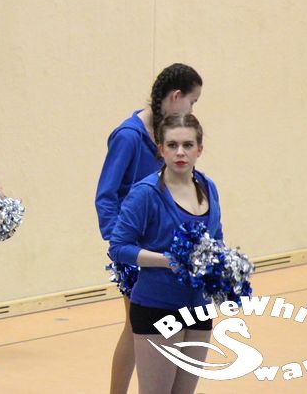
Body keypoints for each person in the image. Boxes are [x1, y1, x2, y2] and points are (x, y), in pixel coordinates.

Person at [94, 63, 202, 394]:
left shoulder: (167, 136)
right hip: (136, 249)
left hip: (161, 245)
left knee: (146, 327)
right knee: (135, 327)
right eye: (192, 102)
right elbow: (106, 195)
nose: (192, 110)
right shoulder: (128, 136)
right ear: (176, 96)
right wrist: (121, 242)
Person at [108, 114, 222, 394]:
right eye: (172, 145)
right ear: (161, 149)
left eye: (187, 145)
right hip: (156, 306)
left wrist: (222, 269)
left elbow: (217, 238)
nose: (180, 152)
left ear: (199, 149)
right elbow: (119, 247)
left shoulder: (209, 187)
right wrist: (166, 261)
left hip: (199, 308)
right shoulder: (145, 193)